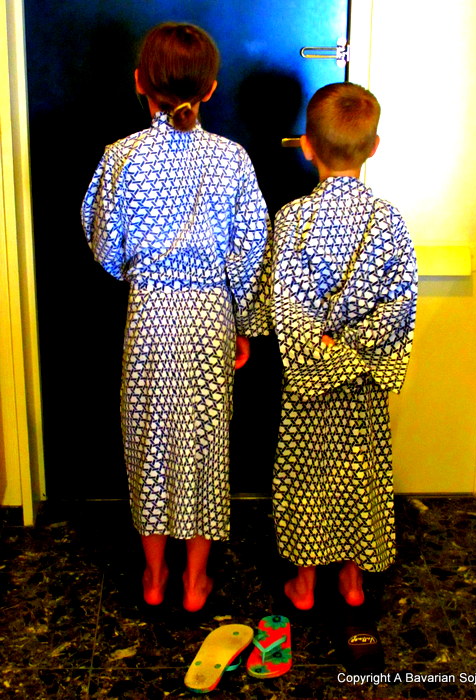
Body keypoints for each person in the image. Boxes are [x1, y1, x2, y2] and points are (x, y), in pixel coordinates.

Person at [81, 22, 270, 611]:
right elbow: (251, 249)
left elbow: (104, 246)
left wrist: (144, 275)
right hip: (211, 319)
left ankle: (154, 576)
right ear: (210, 89)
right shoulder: (233, 159)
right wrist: (244, 324)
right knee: (205, 446)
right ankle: (195, 582)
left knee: (149, 445)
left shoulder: (121, 157)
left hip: (149, 321)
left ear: (139, 82)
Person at [270, 82, 417, 611]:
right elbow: (401, 303)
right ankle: (352, 582)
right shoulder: (389, 221)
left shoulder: (291, 219)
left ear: (307, 146)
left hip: (307, 381)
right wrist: (354, 349)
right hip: (364, 380)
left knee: (306, 475)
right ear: (374, 147)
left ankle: (305, 585)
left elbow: (283, 303)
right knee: (358, 471)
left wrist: (323, 349)